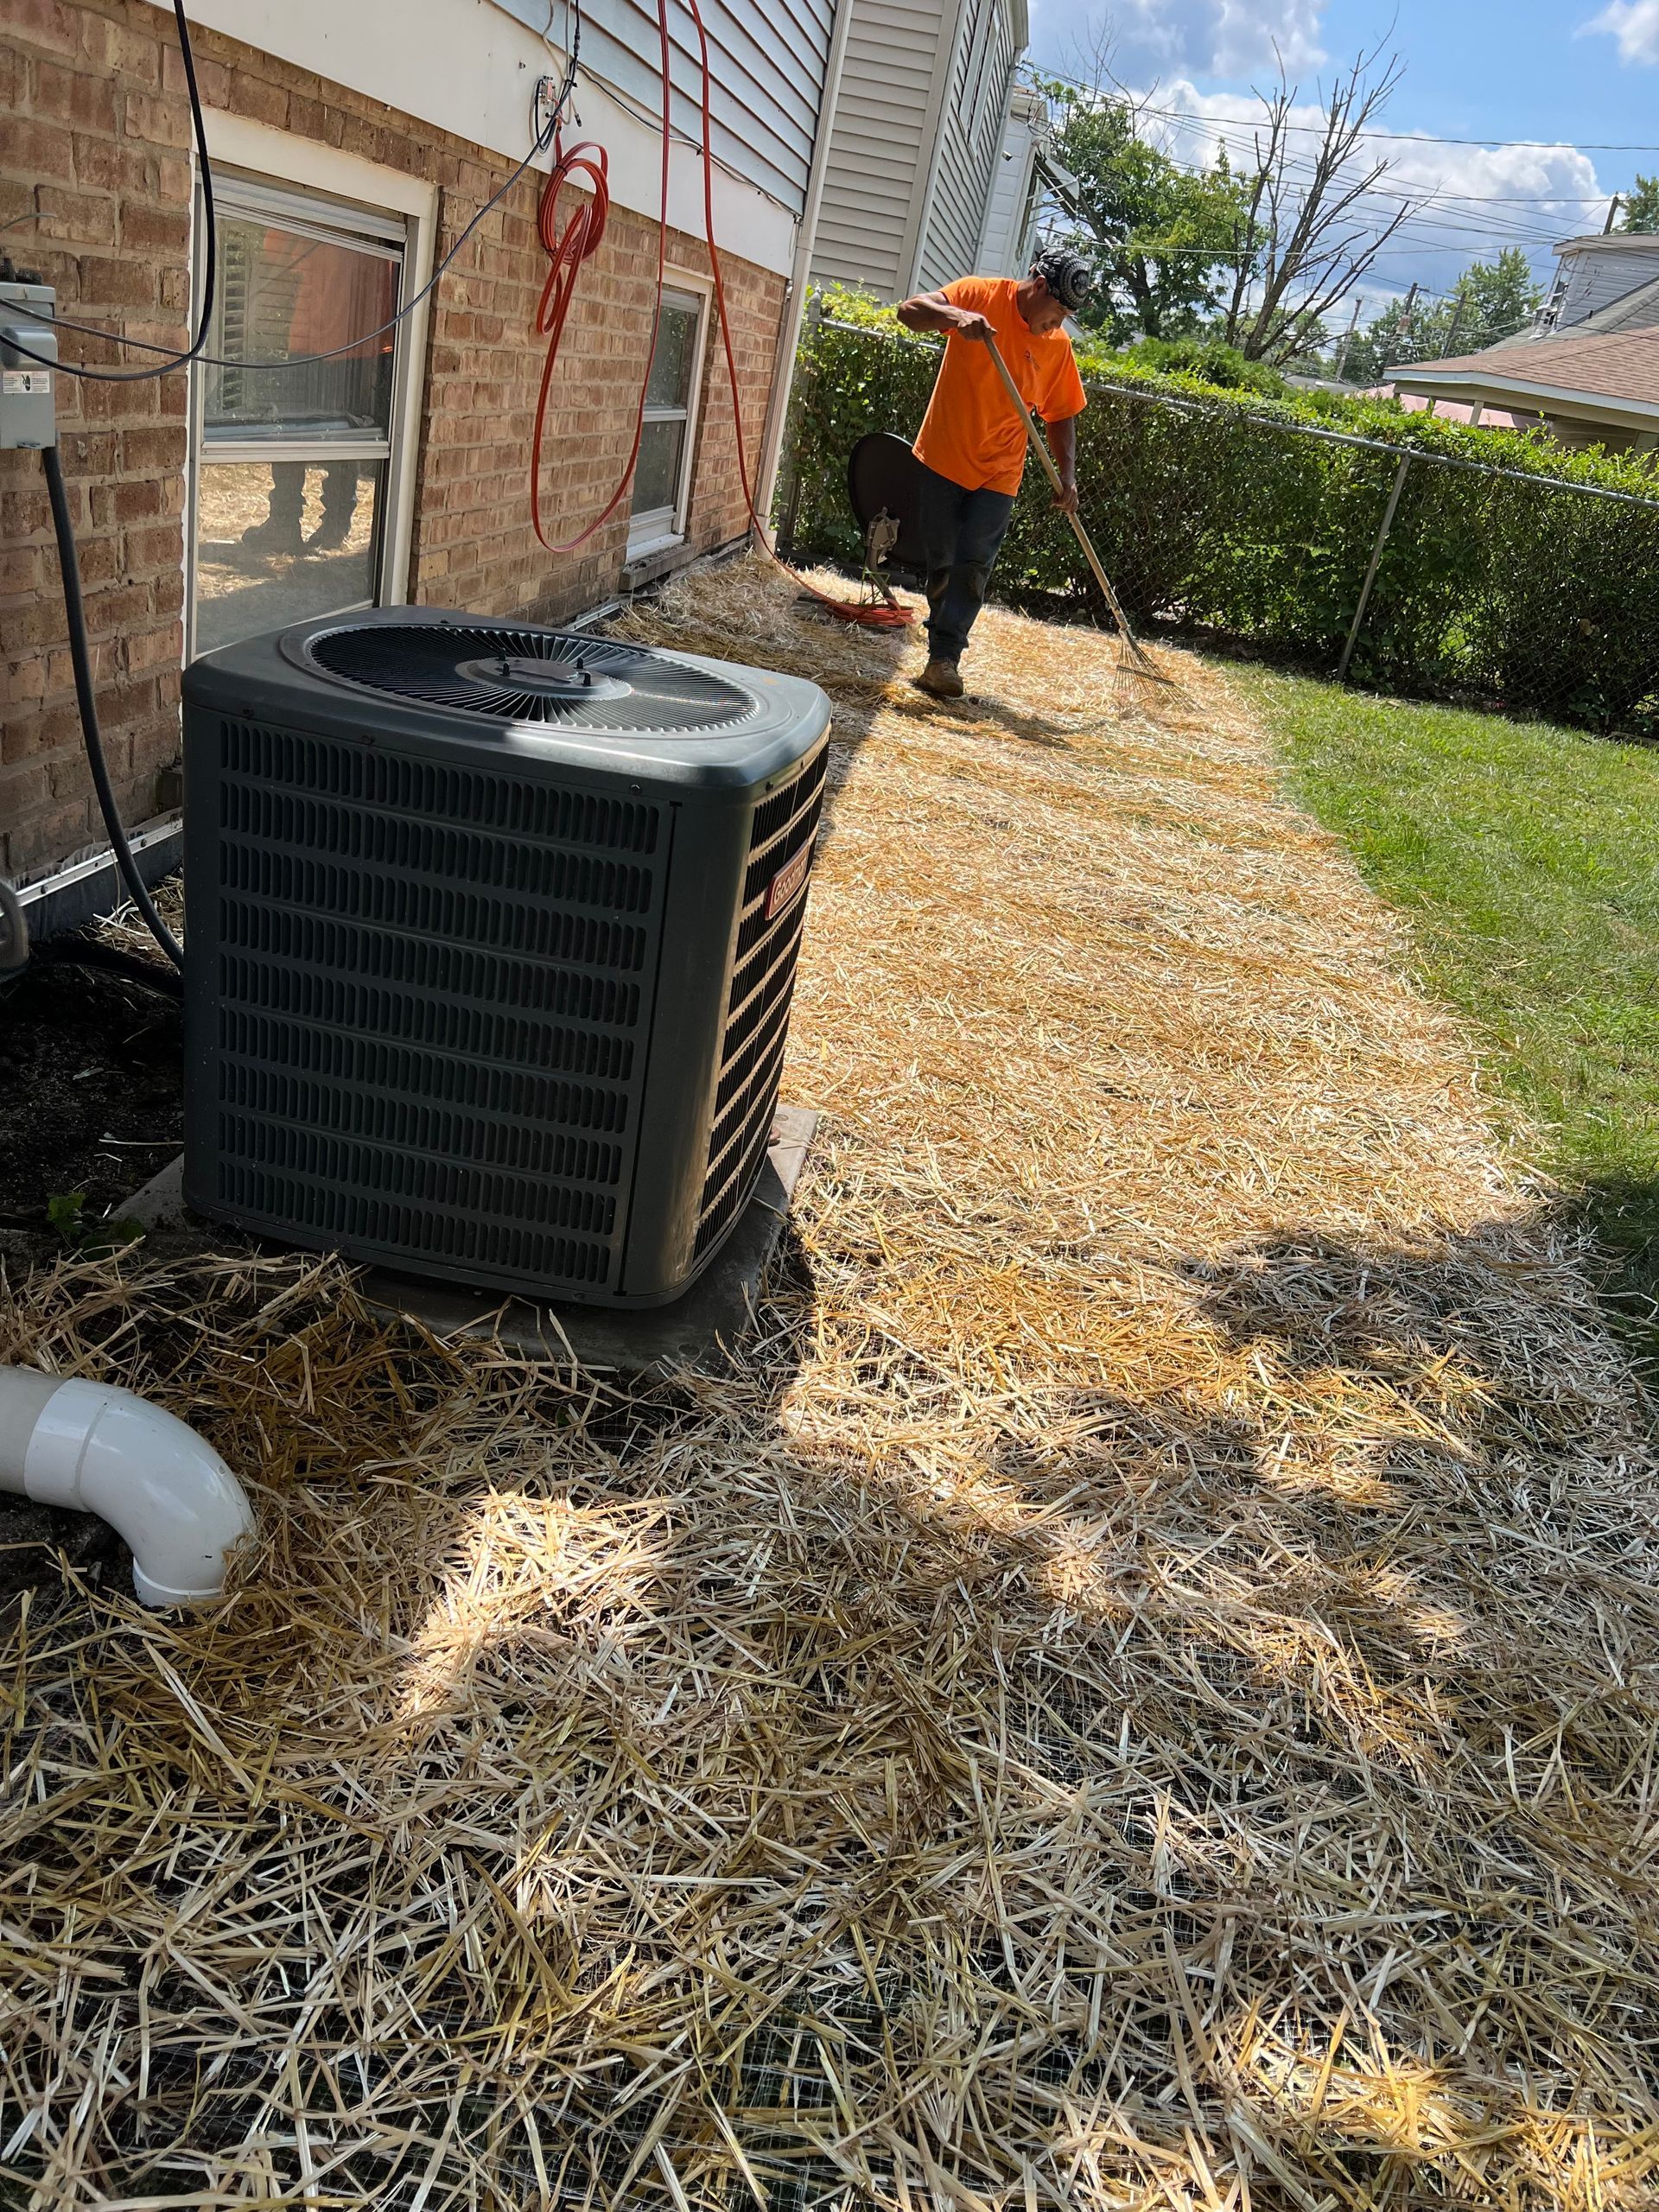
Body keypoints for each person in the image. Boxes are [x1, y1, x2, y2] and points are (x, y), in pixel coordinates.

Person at [897, 245, 1092, 698]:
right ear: (1039, 285)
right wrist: (955, 318)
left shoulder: (1057, 348)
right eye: (1058, 311)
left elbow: (1061, 414)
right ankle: (939, 648)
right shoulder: (977, 295)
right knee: (943, 564)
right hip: (944, 457)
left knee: (974, 567)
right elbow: (909, 311)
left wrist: (1068, 475)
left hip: (999, 472)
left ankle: (944, 660)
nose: (1058, 324)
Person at [241, 230, 397, 557]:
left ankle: (289, 523)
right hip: (362, 332)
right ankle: (334, 527)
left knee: (291, 428)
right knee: (345, 430)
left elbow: (276, 254)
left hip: (325, 331)